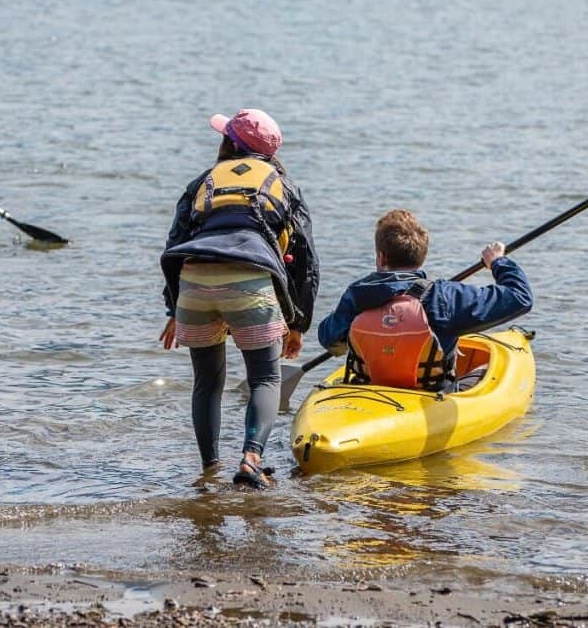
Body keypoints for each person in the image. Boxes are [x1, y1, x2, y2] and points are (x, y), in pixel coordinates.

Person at [160, 108, 319, 489]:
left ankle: (209, 470)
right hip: (251, 282)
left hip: (194, 283)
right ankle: (251, 459)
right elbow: (306, 261)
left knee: (207, 382)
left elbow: (175, 243)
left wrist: (173, 307)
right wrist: (297, 322)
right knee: (265, 376)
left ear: (230, 143)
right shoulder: (284, 185)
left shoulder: (202, 182)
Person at [317, 209, 533, 391]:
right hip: (430, 397)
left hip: (372, 392)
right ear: (422, 257)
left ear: (381, 257)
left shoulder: (358, 294)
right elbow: (520, 296)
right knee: (487, 368)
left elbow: (330, 341)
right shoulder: (444, 297)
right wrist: (497, 262)